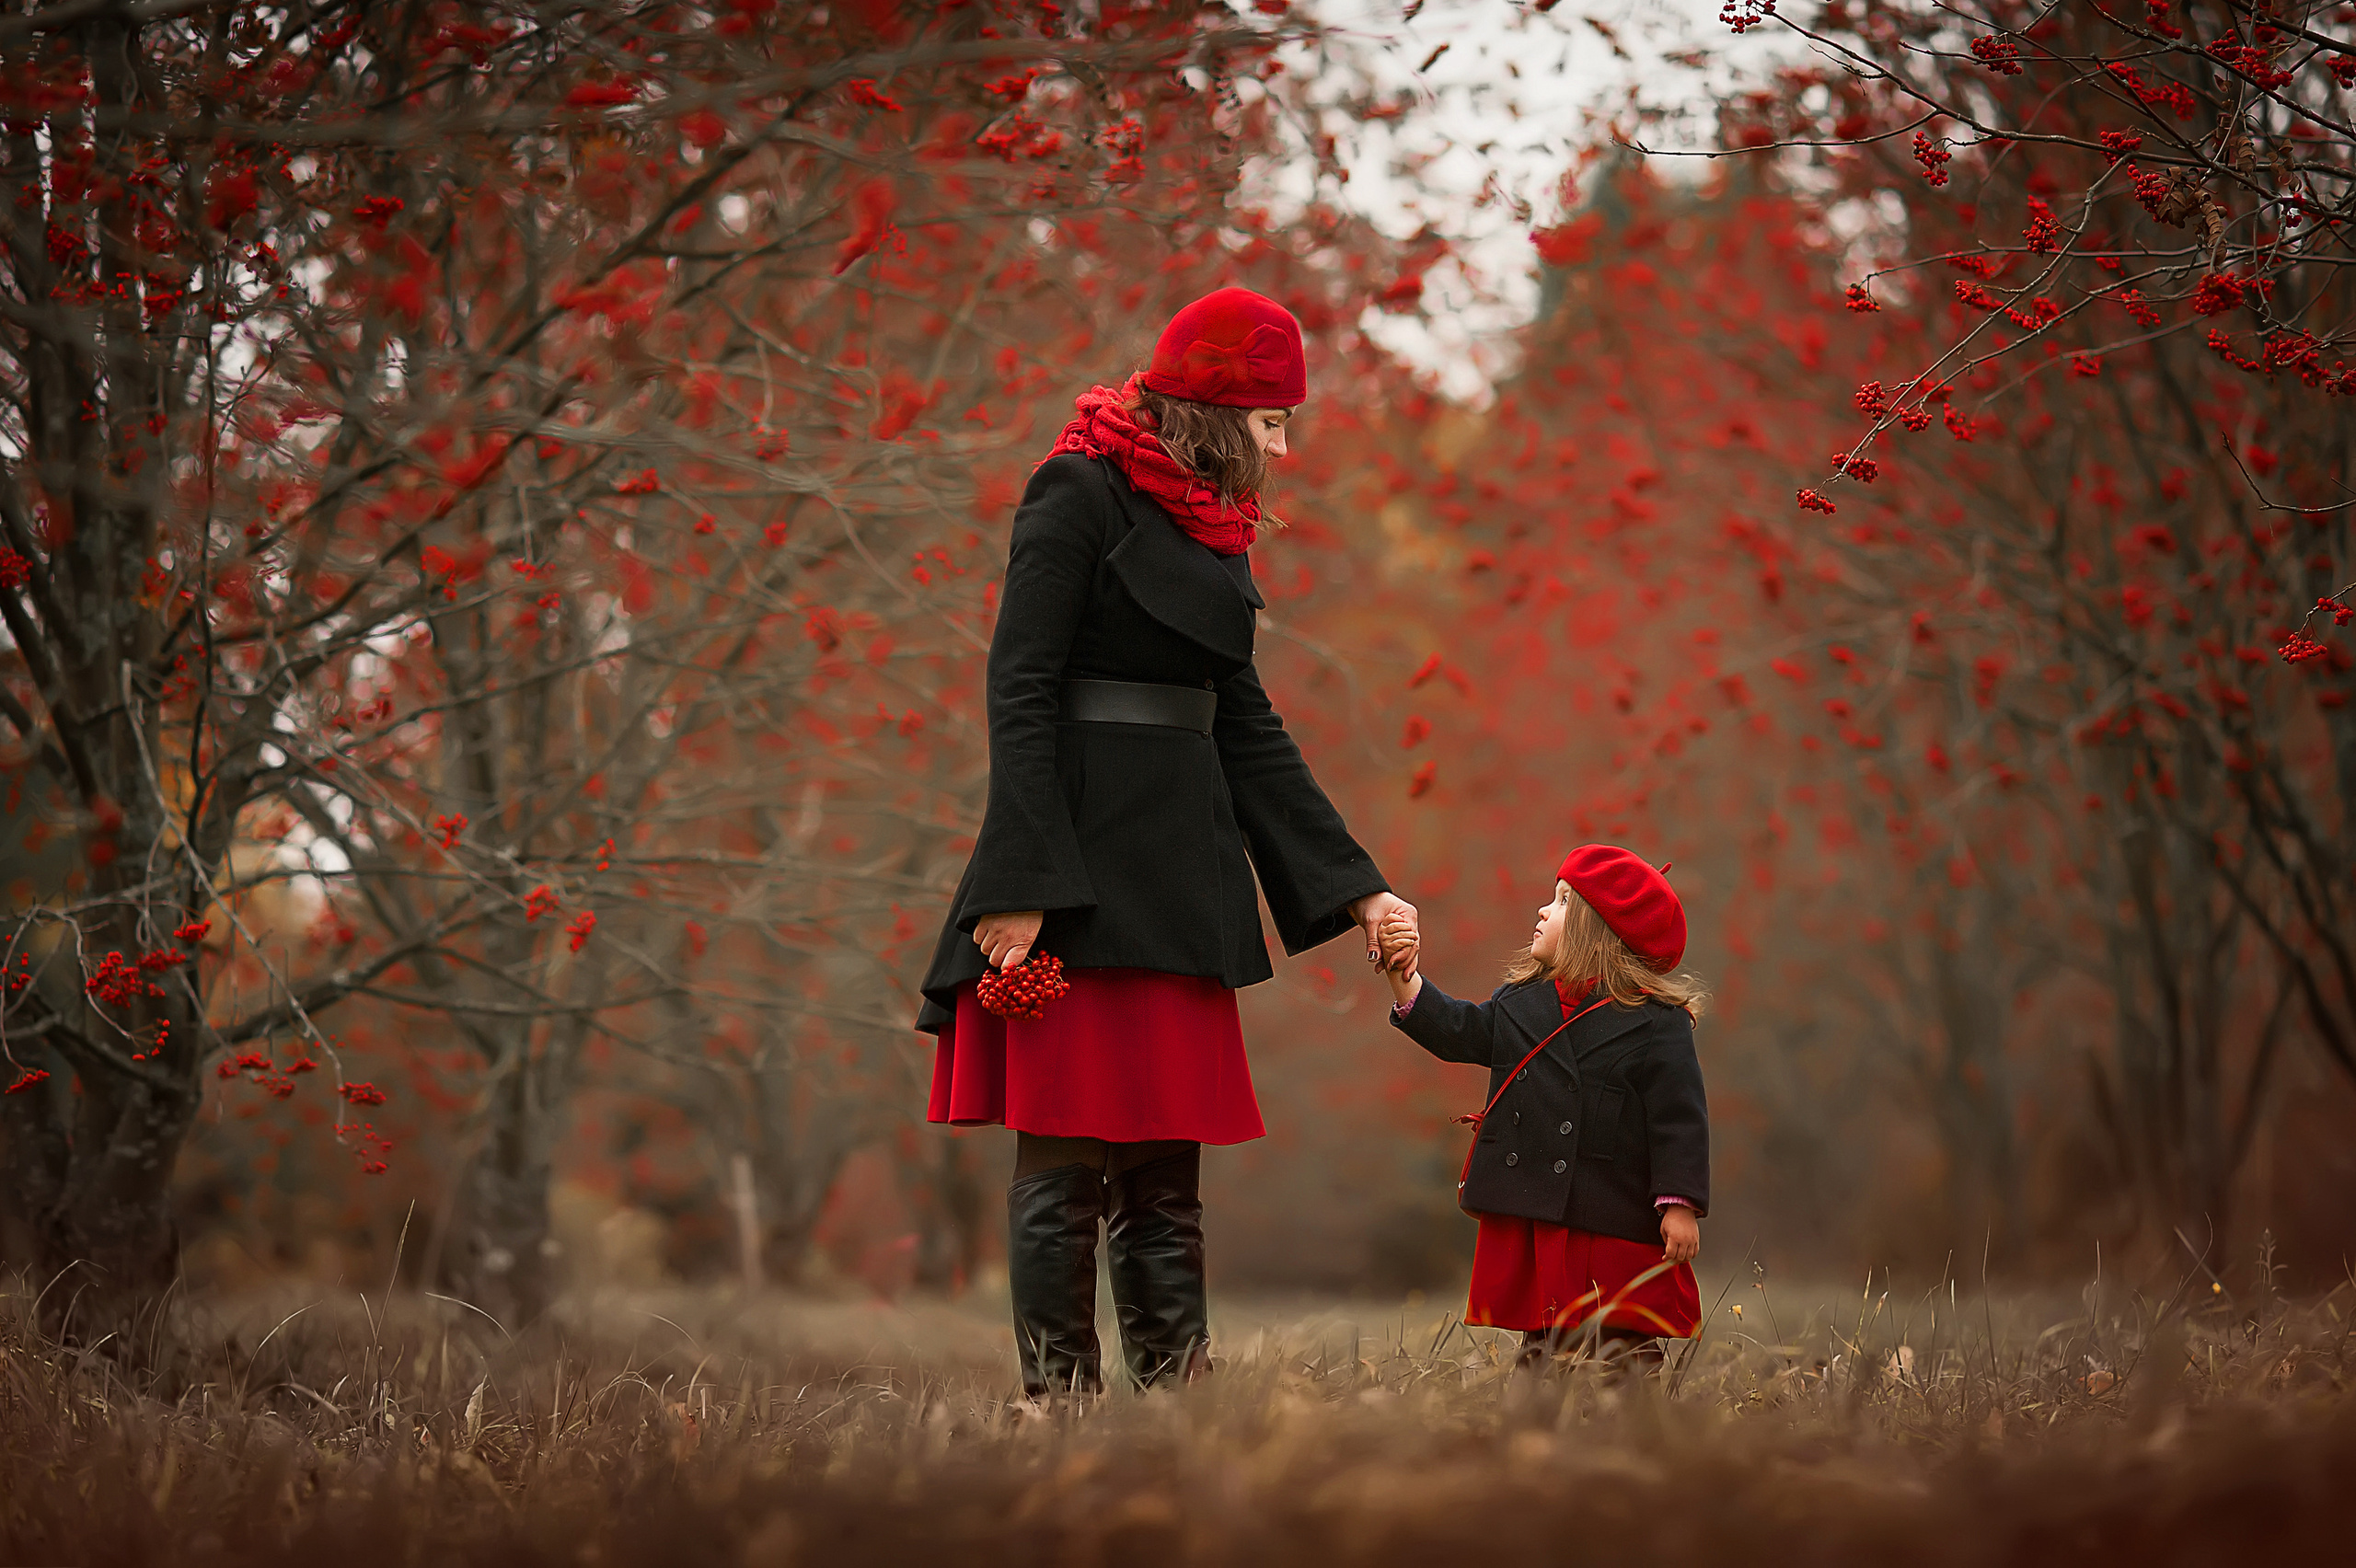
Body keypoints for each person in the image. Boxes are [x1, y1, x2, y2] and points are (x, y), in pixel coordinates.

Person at [917, 285, 1419, 1400]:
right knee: (1064, 1164)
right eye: (1274, 420)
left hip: (1180, 877)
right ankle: (1058, 1410)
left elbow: (1241, 719)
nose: (1283, 446)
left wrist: (1356, 890)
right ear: (1214, 408)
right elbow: (1022, 685)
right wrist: (1021, 879)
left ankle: (1180, 1405)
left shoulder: (1214, 524)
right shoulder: (1076, 487)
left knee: (1162, 1172)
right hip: (1074, 875)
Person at [1379, 845, 1709, 1375]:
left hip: (1614, 1212)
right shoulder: (1519, 1003)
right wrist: (1404, 975)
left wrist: (1680, 1203)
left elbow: (1679, 1119)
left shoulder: (1657, 1023)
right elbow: (1458, 1031)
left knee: (1621, 1334)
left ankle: (1633, 1420)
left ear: (1593, 930)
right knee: (1548, 1327)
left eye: (1559, 903)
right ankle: (1540, 1411)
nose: (1541, 912)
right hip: (1543, 1206)